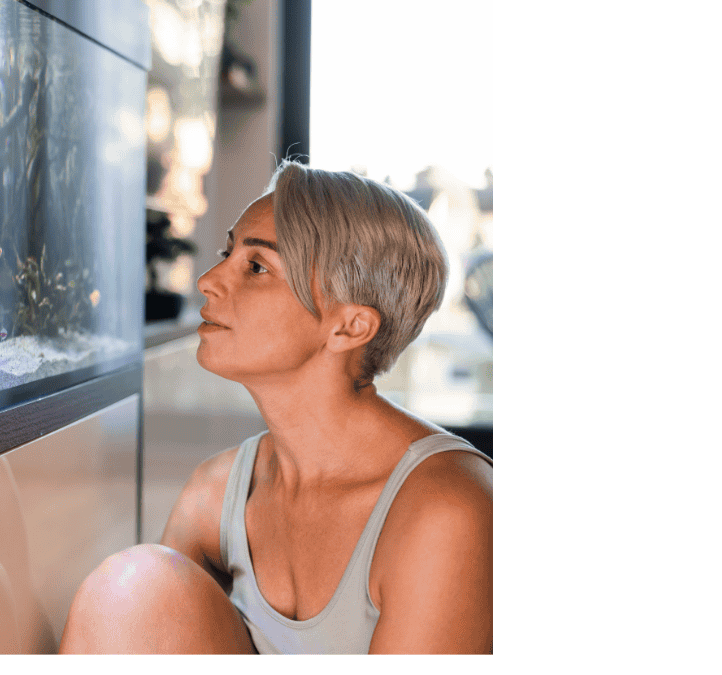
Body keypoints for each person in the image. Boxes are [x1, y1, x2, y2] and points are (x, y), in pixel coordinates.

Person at [60, 160, 492, 654]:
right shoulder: (215, 495)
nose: (207, 280)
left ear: (349, 327)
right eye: (227, 253)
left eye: (257, 267)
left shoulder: (449, 511)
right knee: (135, 586)